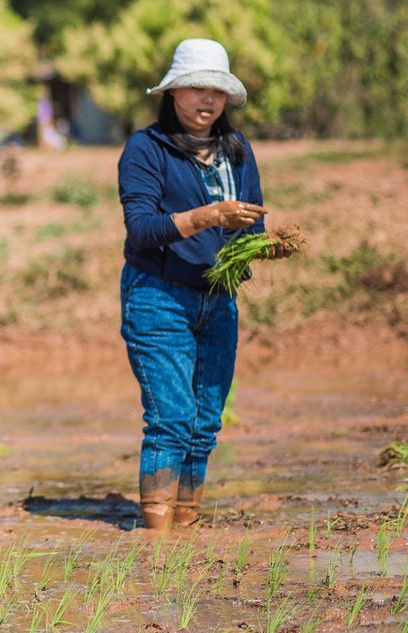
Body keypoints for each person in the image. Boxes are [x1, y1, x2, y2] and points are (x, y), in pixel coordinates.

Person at [117, 39, 292, 532]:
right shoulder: (145, 149)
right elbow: (143, 229)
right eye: (195, 88)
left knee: (205, 423)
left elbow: (252, 225)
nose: (206, 100)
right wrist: (209, 216)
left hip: (219, 300)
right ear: (173, 93)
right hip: (158, 297)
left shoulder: (237, 151)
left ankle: (185, 526)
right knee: (171, 419)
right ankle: (156, 540)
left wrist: (266, 246)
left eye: (216, 90)